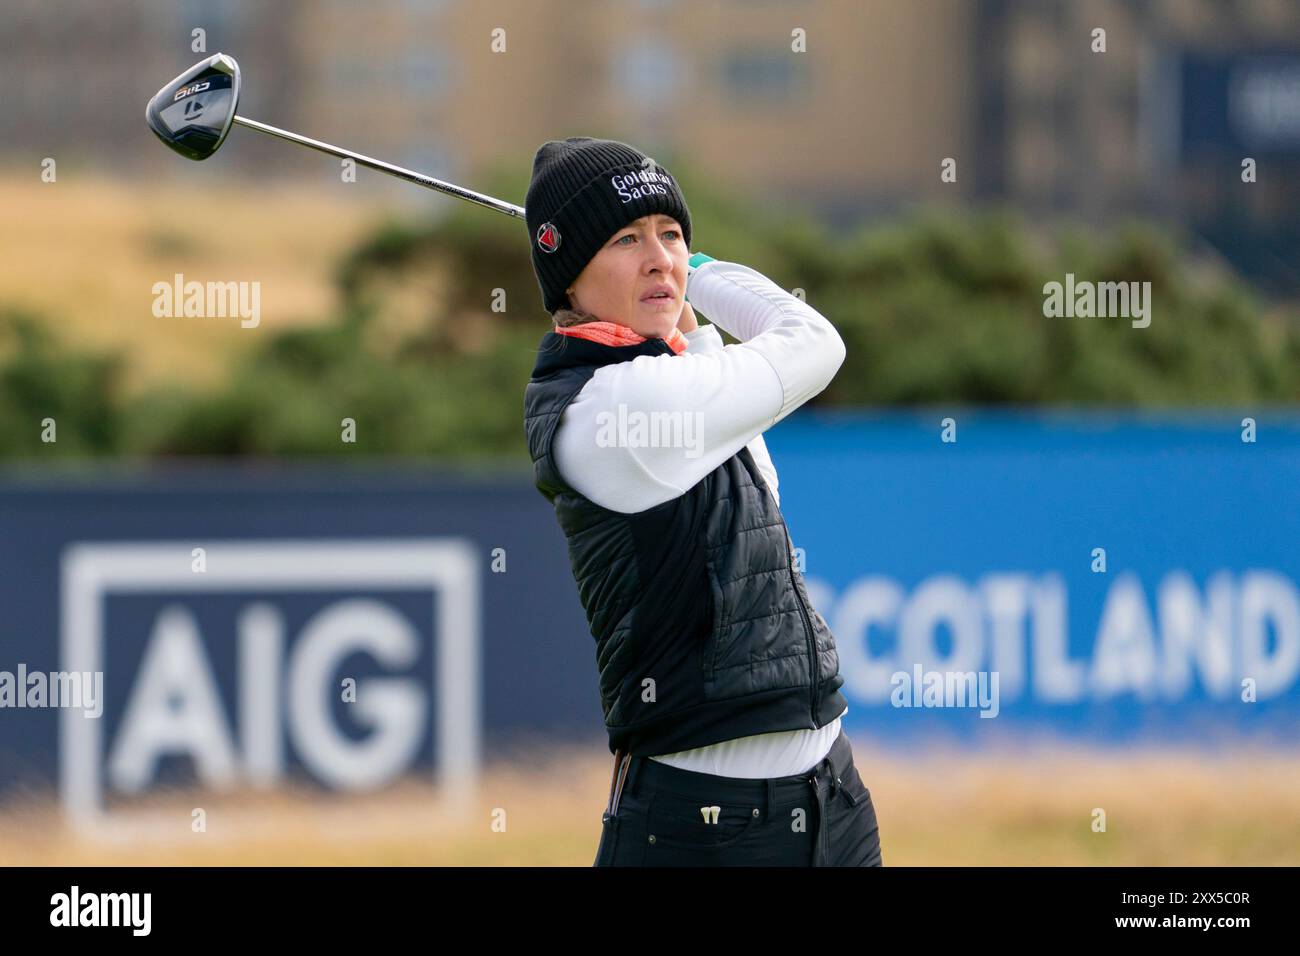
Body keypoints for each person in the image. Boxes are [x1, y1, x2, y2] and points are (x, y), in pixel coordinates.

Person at [521, 137, 882, 866]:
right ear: (568, 280)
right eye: (627, 238)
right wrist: (704, 275)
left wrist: (681, 295)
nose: (660, 256)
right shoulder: (609, 408)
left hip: (832, 796)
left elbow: (727, 387)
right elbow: (813, 343)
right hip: (701, 829)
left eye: (673, 234)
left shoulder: (677, 374)